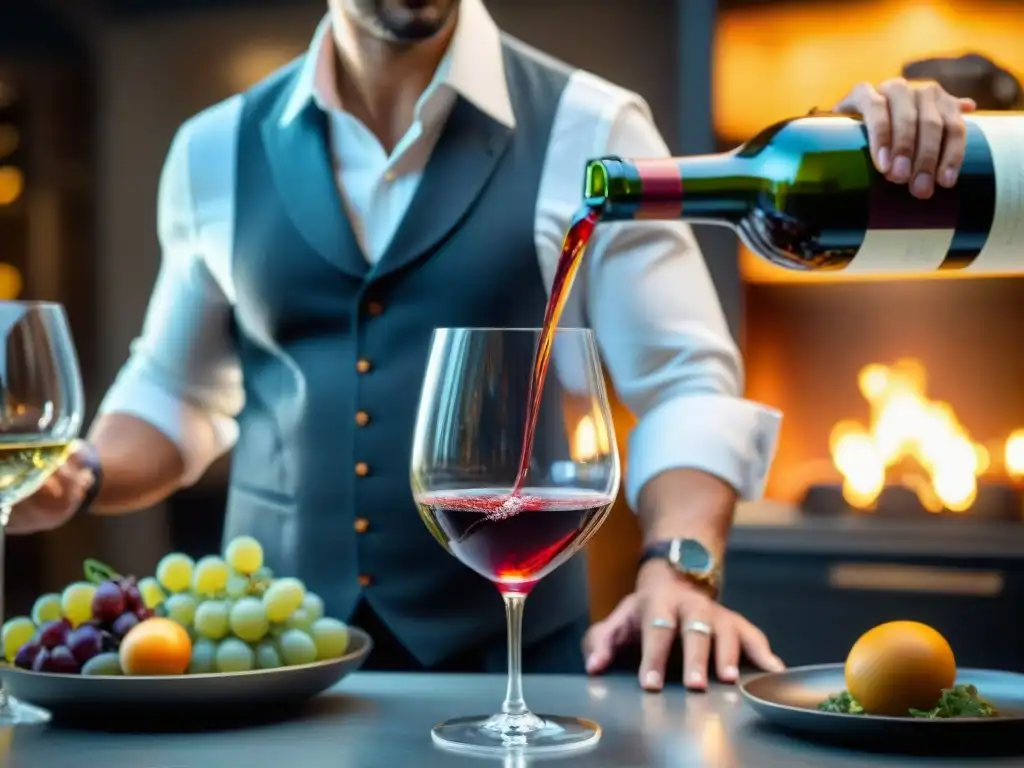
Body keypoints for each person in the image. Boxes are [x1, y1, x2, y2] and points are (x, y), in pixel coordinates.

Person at [10, 0, 975, 691]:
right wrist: (80, 473)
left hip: (510, 673)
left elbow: (684, 383)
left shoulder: (592, 126)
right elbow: (179, 395)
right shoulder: (213, 147)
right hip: (267, 669)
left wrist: (677, 565)